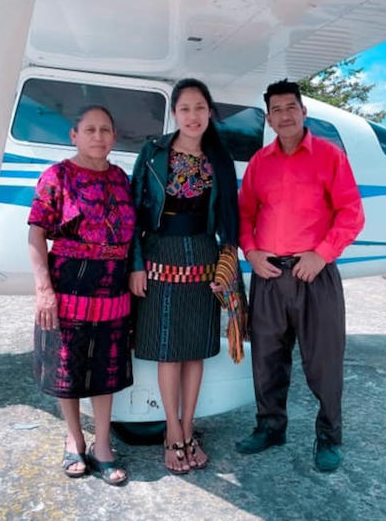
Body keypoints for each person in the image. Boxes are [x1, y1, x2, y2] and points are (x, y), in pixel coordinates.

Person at [235, 79, 365, 473]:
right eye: (276, 110)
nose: (285, 115)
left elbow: (351, 213)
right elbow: (245, 214)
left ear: (304, 112)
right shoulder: (260, 162)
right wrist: (252, 252)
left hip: (315, 275)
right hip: (269, 275)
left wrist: (321, 255)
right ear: (269, 119)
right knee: (267, 360)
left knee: (324, 362)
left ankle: (329, 437)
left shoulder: (330, 156)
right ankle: (270, 427)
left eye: (291, 107)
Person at [129, 78, 242, 475]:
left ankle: (188, 427)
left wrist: (228, 266)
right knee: (168, 349)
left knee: (195, 348)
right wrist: (136, 264)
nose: (193, 116)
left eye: (200, 108)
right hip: (161, 255)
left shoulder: (219, 159)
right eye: (185, 109)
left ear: (209, 112)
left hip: (205, 258)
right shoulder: (153, 152)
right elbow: (134, 213)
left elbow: (229, 219)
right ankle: (172, 432)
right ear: (174, 113)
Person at [28, 105, 135, 486]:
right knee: (68, 367)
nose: (98, 136)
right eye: (90, 129)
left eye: (105, 129)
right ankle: (74, 438)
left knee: (106, 368)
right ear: (74, 136)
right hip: (68, 285)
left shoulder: (121, 179)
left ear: (114, 137)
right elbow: (36, 235)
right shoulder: (56, 177)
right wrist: (44, 290)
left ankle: (102, 443)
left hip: (113, 287)